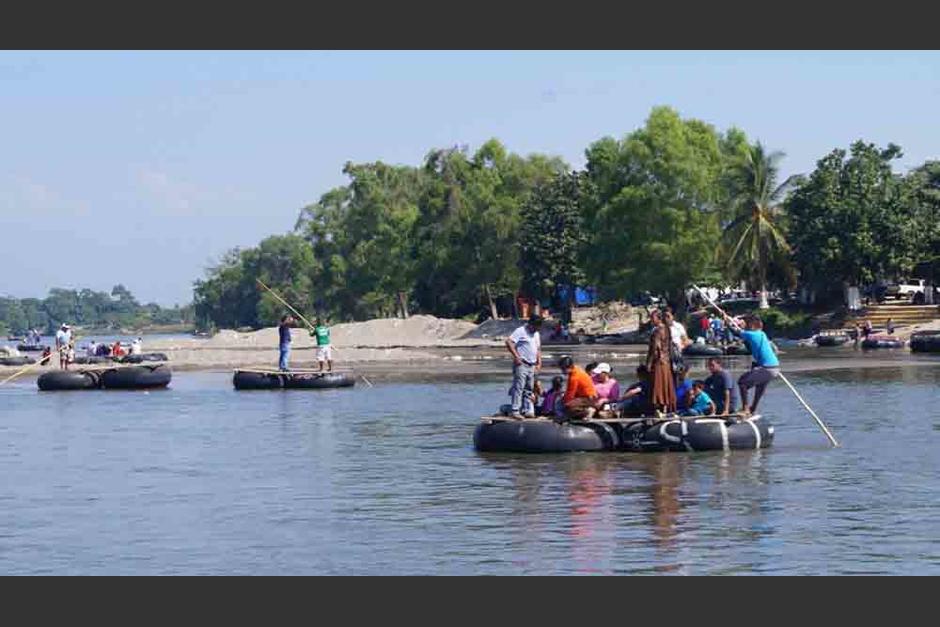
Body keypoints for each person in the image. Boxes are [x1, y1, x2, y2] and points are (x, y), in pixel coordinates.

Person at [726, 314, 780, 416]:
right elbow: (749, 346)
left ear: (752, 325)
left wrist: (727, 323)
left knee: (742, 383)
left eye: (747, 323)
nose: (746, 325)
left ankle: (745, 408)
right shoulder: (762, 334)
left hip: (766, 368)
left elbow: (736, 333)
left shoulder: (751, 334)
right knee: (759, 387)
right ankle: (753, 409)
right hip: (774, 367)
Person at [505, 315, 543, 419]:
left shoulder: (536, 334)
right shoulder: (520, 331)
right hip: (522, 364)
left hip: (532, 364)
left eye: (538, 327)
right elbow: (509, 342)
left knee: (529, 388)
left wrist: (539, 362)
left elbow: (538, 349)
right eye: (535, 327)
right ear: (530, 324)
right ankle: (515, 410)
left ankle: (527, 410)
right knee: (519, 387)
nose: (536, 329)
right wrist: (516, 357)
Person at [646, 310, 677, 415]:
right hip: (667, 362)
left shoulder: (657, 330)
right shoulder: (668, 329)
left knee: (658, 386)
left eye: (652, 317)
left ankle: (658, 409)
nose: (651, 320)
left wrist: (649, 363)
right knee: (666, 385)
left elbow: (656, 348)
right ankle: (665, 408)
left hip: (659, 362)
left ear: (658, 318)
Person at [558, 355, 598, 420]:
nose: (562, 371)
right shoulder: (577, 369)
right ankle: (585, 410)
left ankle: (586, 412)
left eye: (563, 369)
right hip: (589, 397)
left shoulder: (574, 377)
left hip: (588, 398)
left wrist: (564, 404)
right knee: (567, 404)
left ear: (569, 367)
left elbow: (570, 394)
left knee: (567, 408)